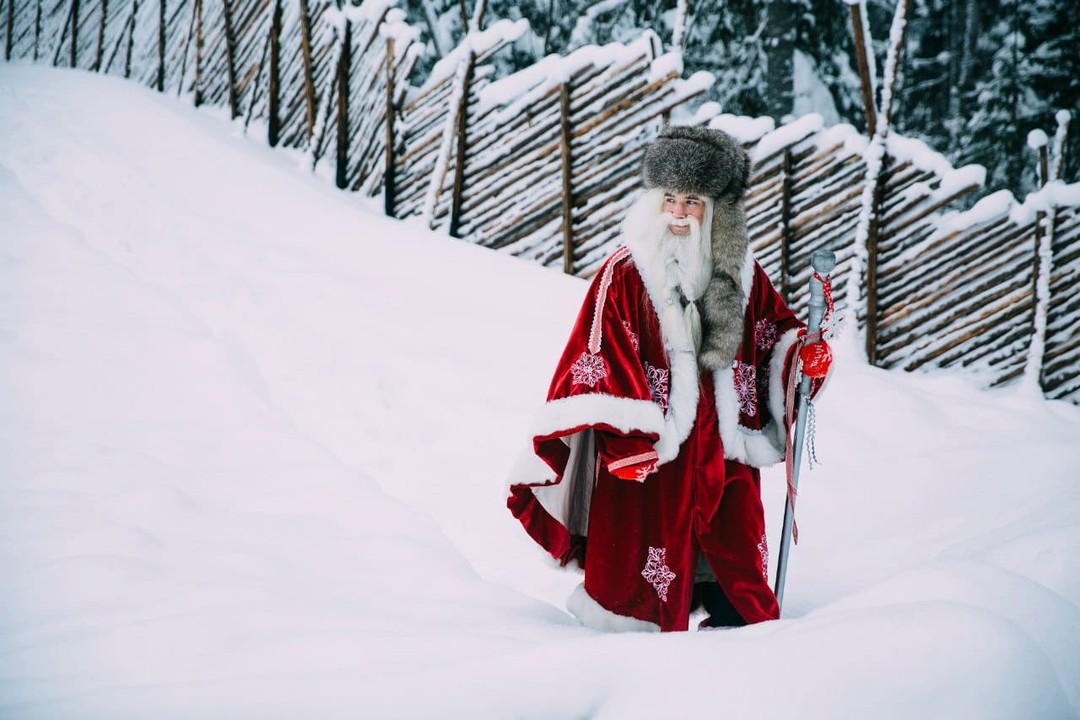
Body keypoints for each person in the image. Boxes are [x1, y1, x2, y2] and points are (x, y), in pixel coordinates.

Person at [506, 126, 832, 632]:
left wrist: (802, 358)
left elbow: (776, 336)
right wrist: (628, 438)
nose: (679, 214)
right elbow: (597, 351)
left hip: (724, 457)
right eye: (671, 199)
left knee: (740, 592)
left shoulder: (742, 273)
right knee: (645, 600)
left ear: (716, 210)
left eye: (694, 202)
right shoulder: (626, 272)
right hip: (655, 460)